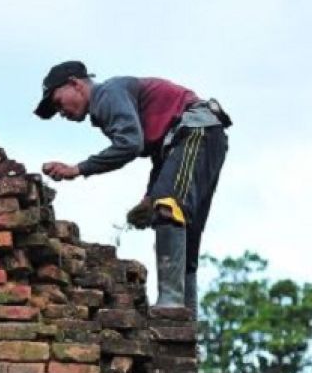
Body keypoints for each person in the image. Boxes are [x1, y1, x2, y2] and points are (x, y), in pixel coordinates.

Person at [33, 60, 230, 314]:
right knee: (183, 227)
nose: (62, 112)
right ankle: (186, 318)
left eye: (59, 103)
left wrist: (78, 168)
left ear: (75, 84)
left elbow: (130, 144)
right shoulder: (114, 98)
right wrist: (149, 196)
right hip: (199, 136)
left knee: (168, 208)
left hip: (196, 132)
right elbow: (164, 154)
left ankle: (171, 304)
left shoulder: (106, 94)